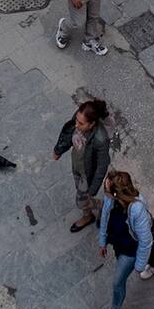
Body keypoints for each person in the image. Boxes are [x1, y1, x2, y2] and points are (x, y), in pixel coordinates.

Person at [94, 170, 154, 309]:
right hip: (119, 244)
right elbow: (105, 217)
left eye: (107, 190)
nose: (105, 193)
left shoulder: (137, 209)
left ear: (117, 193)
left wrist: (139, 266)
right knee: (151, 254)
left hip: (130, 250)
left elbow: (145, 241)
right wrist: (102, 240)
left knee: (117, 282)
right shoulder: (110, 199)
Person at [53, 97, 111, 233]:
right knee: (81, 194)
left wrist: (92, 190)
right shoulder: (79, 117)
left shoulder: (100, 139)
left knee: (82, 201)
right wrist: (58, 150)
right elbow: (68, 131)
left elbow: (102, 166)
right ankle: (88, 215)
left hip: (87, 174)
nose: (76, 125)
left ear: (92, 124)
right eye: (77, 121)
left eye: (81, 123)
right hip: (77, 166)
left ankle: (102, 207)